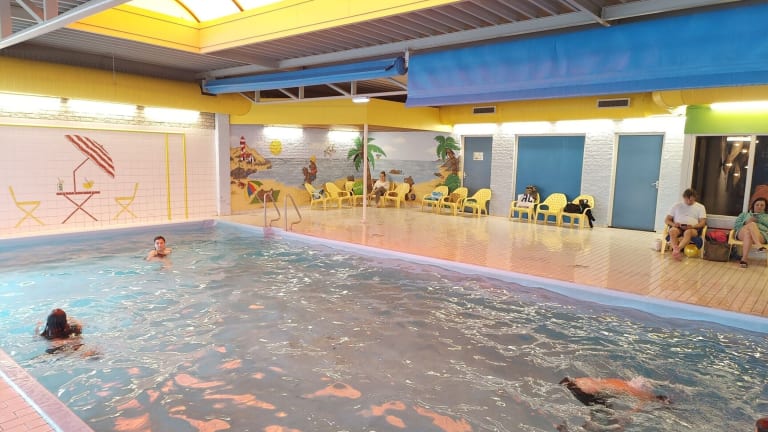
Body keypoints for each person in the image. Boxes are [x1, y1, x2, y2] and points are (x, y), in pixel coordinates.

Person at [558, 377, 670, 432]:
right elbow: (639, 406)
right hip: (589, 392)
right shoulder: (643, 395)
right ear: (659, 400)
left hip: (578, 383)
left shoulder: (627, 384)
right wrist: (625, 418)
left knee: (601, 414)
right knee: (612, 425)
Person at [664, 188, 707, 260]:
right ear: (683, 197)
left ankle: (677, 249)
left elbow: (702, 223)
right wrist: (674, 224)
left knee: (688, 232)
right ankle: (676, 250)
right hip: (678, 227)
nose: (689, 202)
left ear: (695, 198)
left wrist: (692, 226)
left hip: (692, 229)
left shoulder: (700, 207)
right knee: (672, 231)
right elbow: (667, 220)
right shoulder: (676, 206)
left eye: (691, 200)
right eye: (687, 200)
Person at [733, 197, 768, 268]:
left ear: (765, 207)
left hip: (761, 235)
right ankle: (759, 245)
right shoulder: (744, 215)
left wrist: (759, 220)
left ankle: (744, 259)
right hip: (742, 233)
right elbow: (736, 226)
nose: (759, 207)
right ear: (753, 206)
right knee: (751, 225)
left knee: (748, 234)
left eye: (762, 205)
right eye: (757, 205)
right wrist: (746, 222)